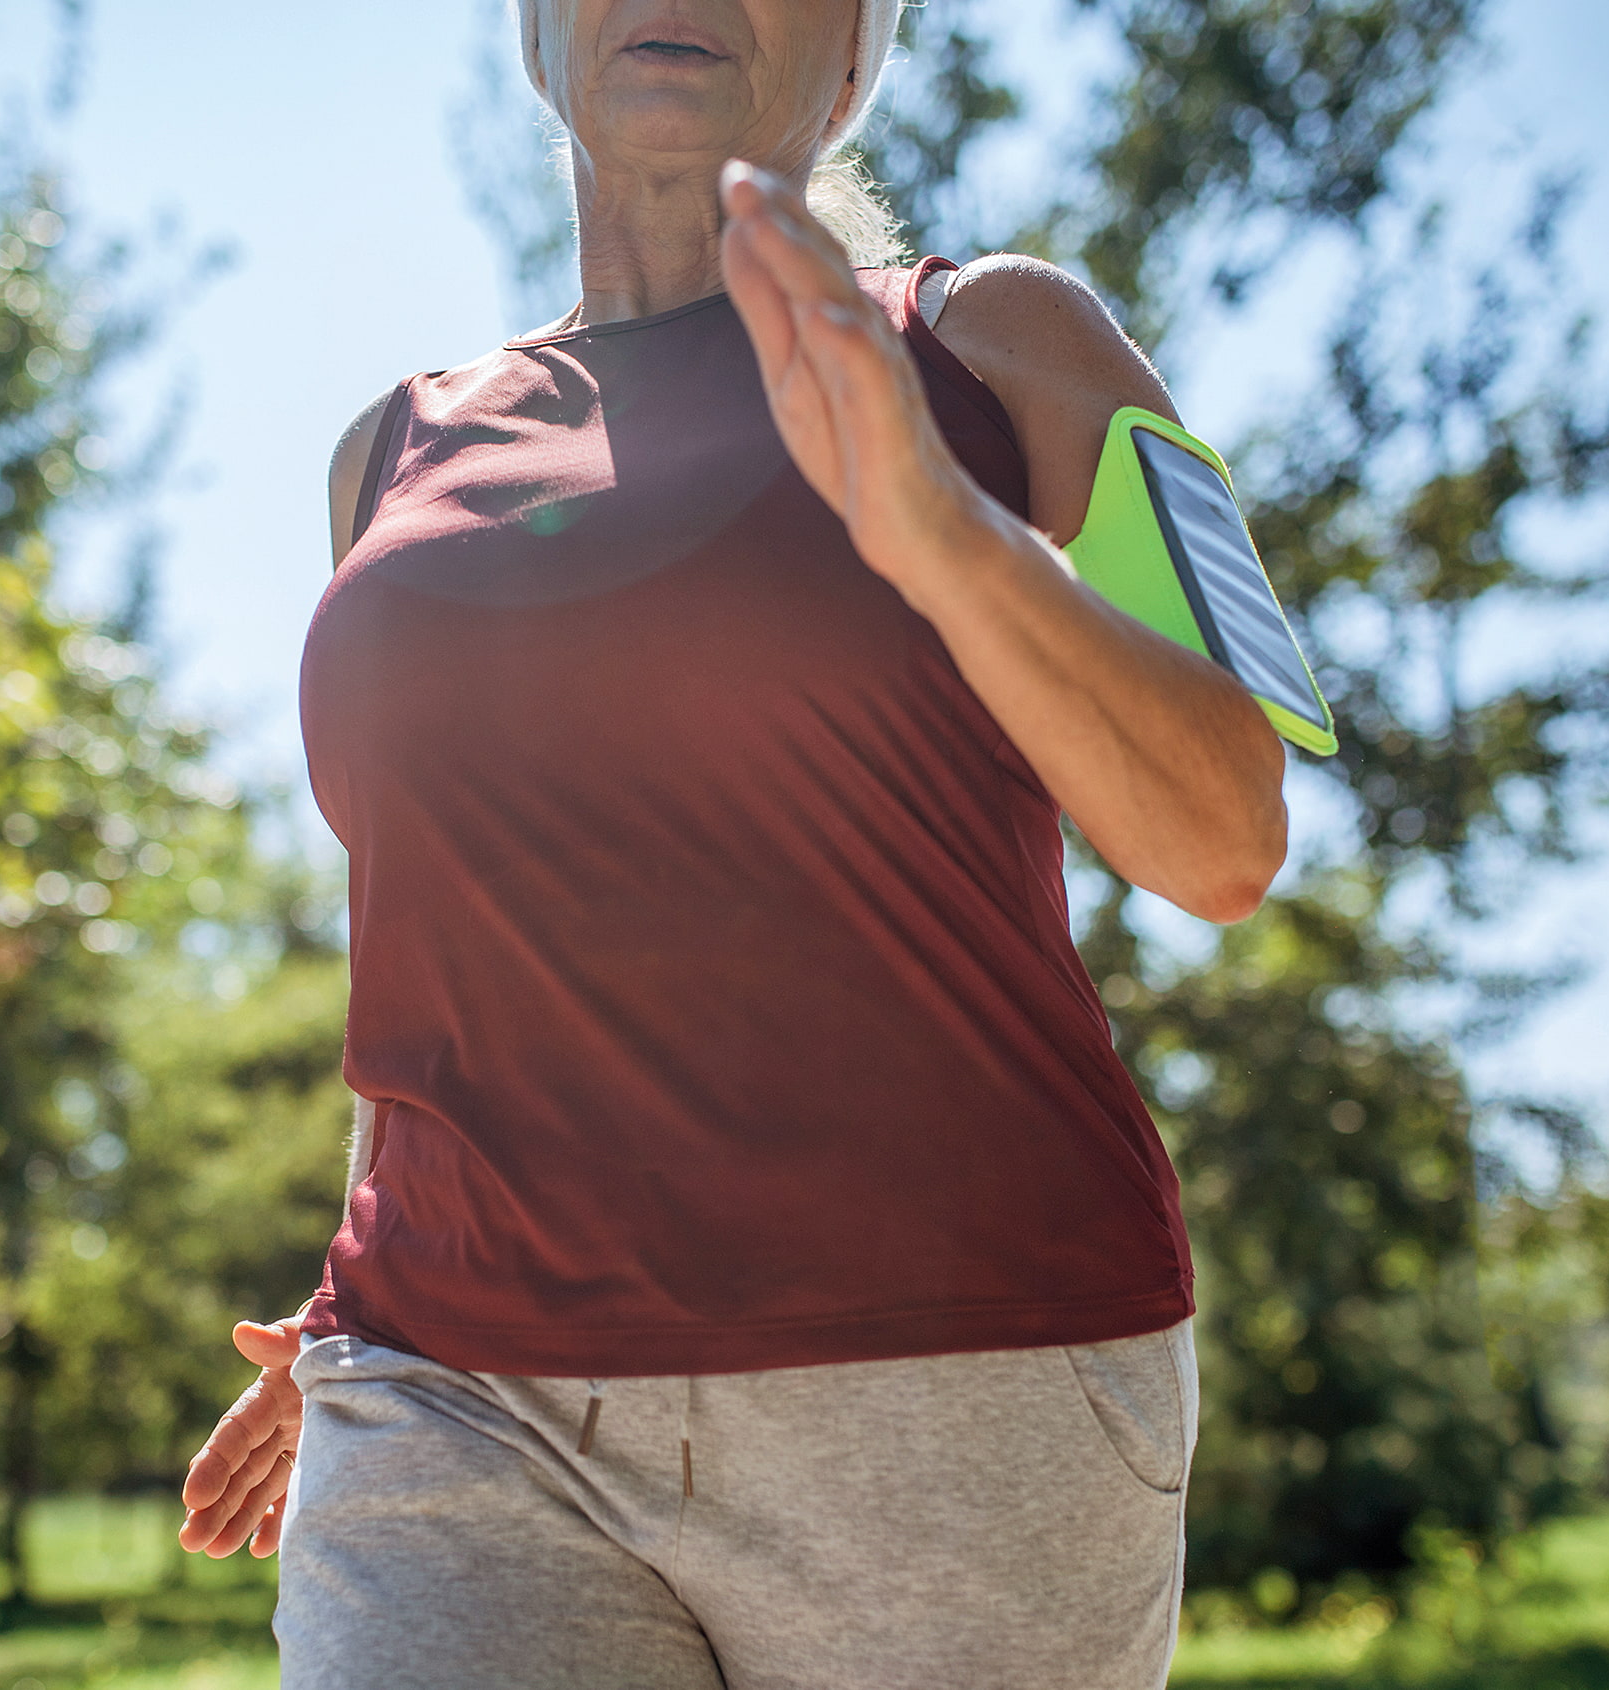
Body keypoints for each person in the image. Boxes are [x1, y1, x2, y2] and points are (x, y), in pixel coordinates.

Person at [179, 1, 1287, 1683]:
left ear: (854, 58)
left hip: (953, 1375)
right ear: (540, 42)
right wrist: (353, 1291)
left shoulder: (1002, 345)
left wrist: (938, 526)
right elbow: (437, 926)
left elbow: (1224, 830)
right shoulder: (390, 455)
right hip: (456, 1384)